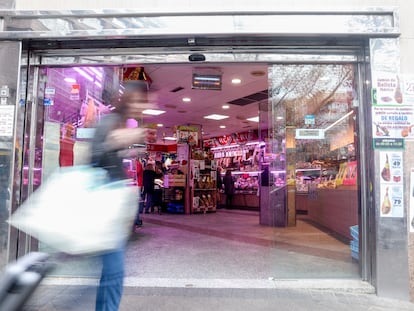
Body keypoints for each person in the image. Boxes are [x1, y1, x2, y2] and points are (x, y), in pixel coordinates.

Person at [91, 80, 155, 311]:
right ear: (127, 99)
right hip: (104, 207)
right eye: (138, 101)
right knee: (114, 272)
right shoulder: (109, 121)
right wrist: (116, 141)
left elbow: (107, 156)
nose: (140, 107)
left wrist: (129, 150)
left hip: (112, 207)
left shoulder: (117, 122)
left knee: (112, 272)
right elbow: (94, 156)